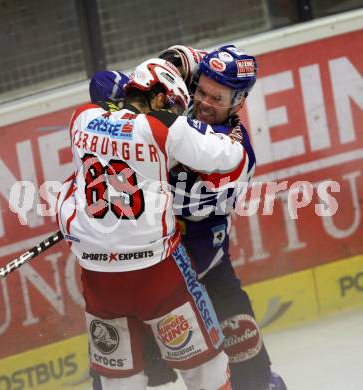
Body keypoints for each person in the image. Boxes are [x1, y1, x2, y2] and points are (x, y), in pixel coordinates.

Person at [57, 58, 248, 389]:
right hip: (157, 274)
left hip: (98, 278)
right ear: (160, 98)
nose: (175, 113)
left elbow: (100, 90)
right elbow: (229, 157)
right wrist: (232, 135)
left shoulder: (82, 120)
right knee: (209, 370)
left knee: (120, 382)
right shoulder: (164, 129)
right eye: (173, 105)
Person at [151, 44, 287, 390]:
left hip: (206, 269)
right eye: (201, 91)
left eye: (217, 98)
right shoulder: (186, 103)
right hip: (151, 271)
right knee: (121, 375)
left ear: (238, 103)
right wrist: (171, 65)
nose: (204, 102)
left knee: (251, 371)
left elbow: (188, 144)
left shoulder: (234, 150)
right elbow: (173, 63)